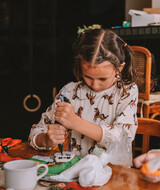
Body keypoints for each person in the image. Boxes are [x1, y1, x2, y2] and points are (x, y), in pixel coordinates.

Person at [28, 25, 138, 166]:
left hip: (115, 176)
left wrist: (76, 122)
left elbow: (122, 138)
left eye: (102, 79)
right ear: (80, 66)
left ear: (120, 68)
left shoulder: (126, 92)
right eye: (88, 77)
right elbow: (35, 133)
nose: (94, 85)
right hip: (75, 174)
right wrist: (46, 139)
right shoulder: (69, 92)